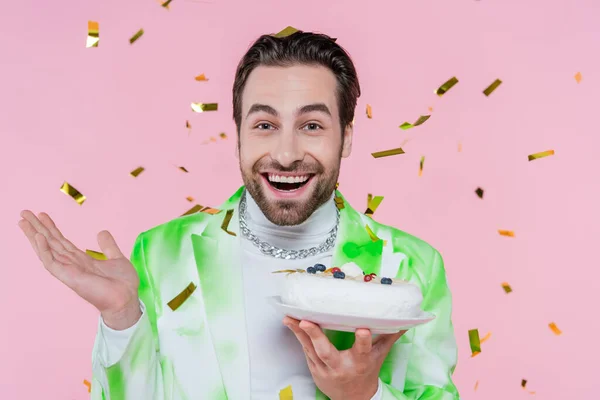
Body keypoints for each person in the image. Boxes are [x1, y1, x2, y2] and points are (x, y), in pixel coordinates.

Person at [18, 31, 459, 400]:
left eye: (312, 126)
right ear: (238, 136)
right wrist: (120, 319)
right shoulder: (163, 252)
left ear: (345, 138)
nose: (286, 155)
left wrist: (366, 395)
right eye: (265, 125)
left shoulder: (410, 266)